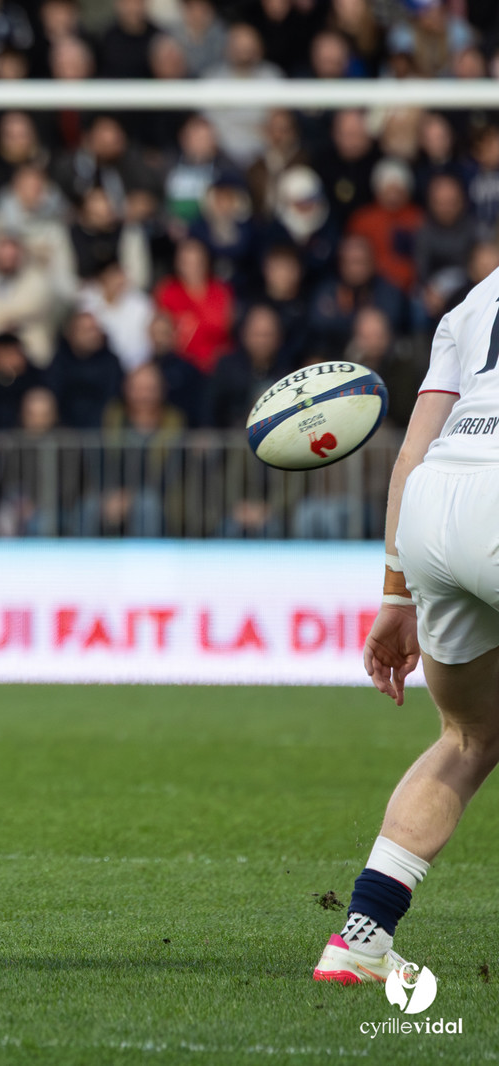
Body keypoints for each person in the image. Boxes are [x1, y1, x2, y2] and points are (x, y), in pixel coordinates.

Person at [313, 259, 499, 985]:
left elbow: (412, 451)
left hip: (437, 502)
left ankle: (360, 941)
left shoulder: (473, 301)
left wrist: (397, 595)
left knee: (470, 735)